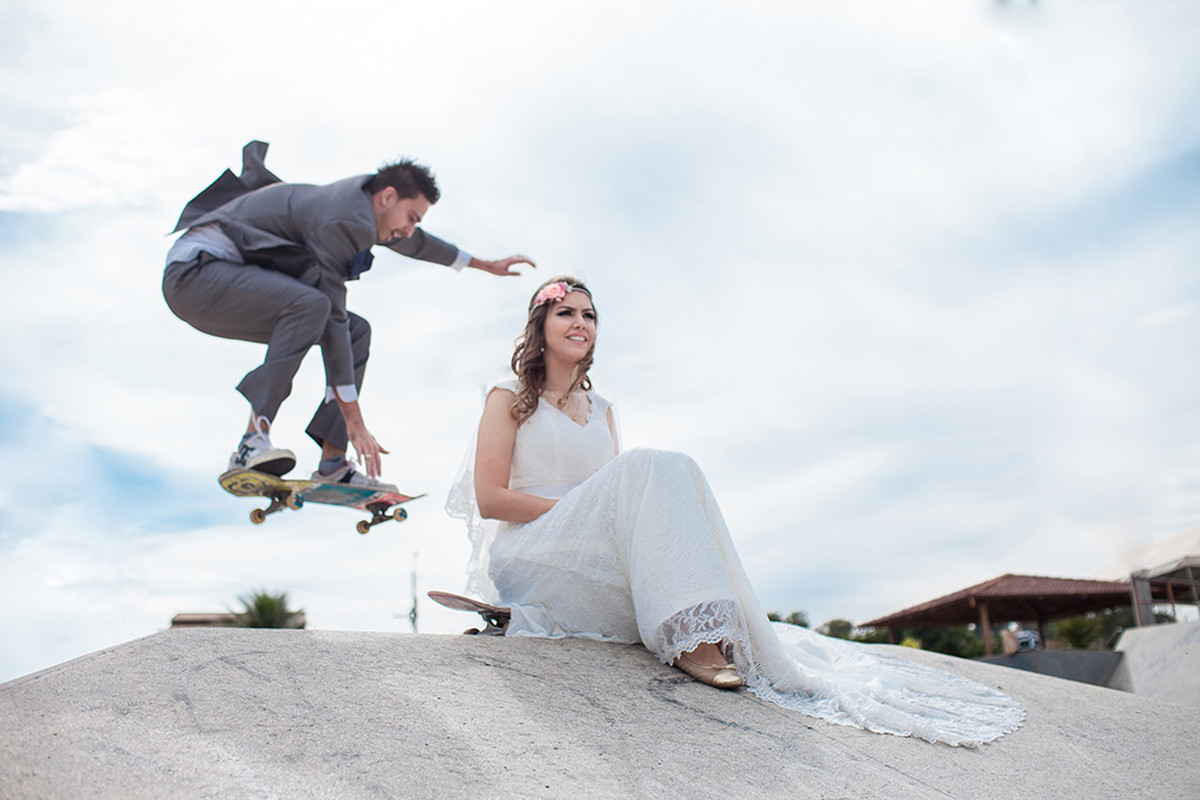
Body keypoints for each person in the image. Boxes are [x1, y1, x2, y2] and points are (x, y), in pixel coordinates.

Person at [447, 275, 1025, 746]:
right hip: (532, 546)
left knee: (673, 467)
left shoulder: (604, 408)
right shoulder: (508, 399)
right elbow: (491, 499)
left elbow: (625, 498)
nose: (579, 323)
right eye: (565, 313)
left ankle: (701, 624)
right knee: (652, 466)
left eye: (589, 315)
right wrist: (583, 511)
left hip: (589, 552)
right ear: (540, 327)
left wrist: (608, 517)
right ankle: (687, 643)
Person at [163, 141, 532, 489]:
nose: (409, 228)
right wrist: (356, 420)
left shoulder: (369, 207)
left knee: (357, 331)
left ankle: (333, 462)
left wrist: (484, 264)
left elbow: (416, 243)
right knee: (315, 307)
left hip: (228, 282)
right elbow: (332, 317)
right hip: (195, 276)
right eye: (411, 216)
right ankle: (252, 440)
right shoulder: (344, 219)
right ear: (388, 197)